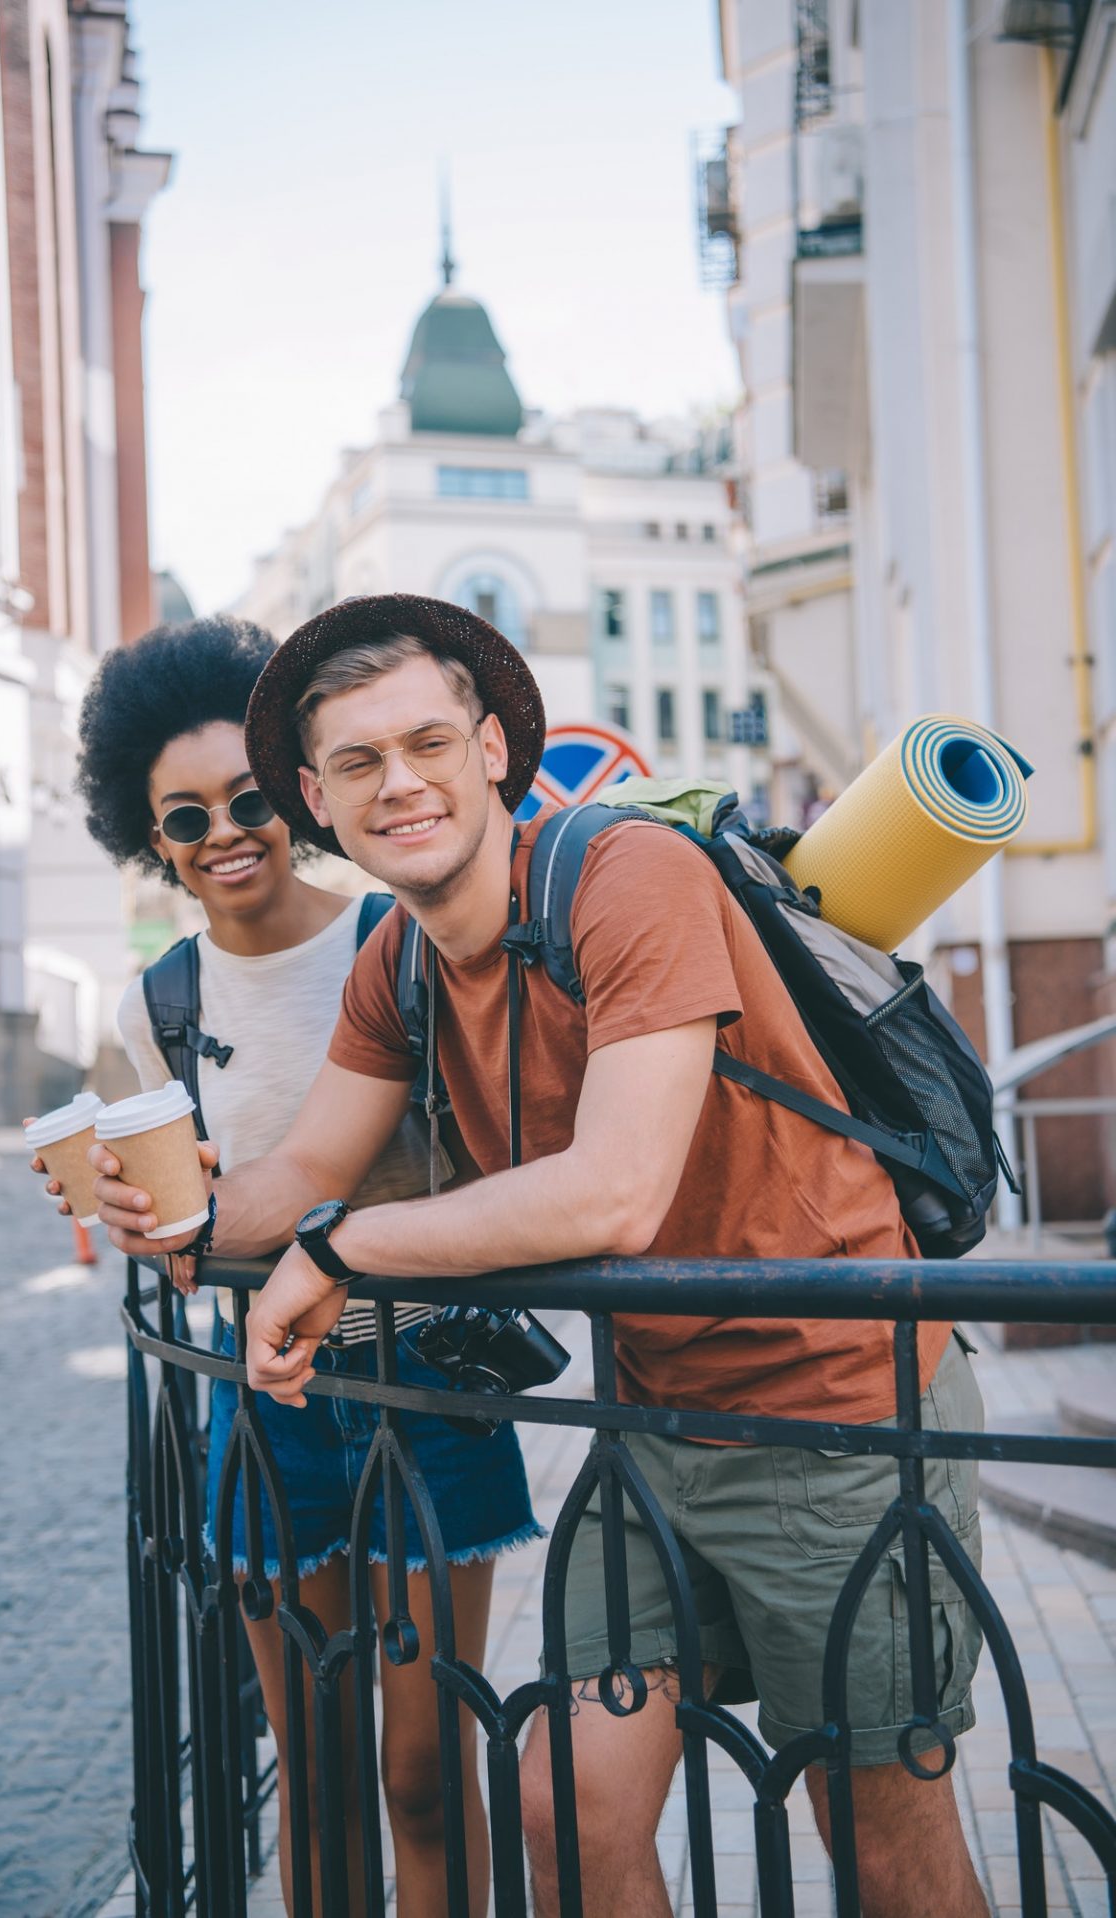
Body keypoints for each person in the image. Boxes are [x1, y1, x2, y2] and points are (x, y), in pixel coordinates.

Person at [90, 595, 989, 1918]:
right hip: (656, 1431)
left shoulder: (627, 873)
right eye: (355, 763)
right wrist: (165, 1217)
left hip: (836, 1415)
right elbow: (297, 1176)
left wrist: (346, 1247)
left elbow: (614, 1192)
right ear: (317, 802)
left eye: (428, 742)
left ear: (496, 748)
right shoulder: (394, 958)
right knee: (560, 1808)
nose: (399, 783)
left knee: (883, 1857)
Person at [44, 615, 542, 1918]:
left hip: (427, 1384)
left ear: (301, 795)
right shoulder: (155, 1005)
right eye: (184, 815)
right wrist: (135, 1211)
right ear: (150, 836)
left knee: (424, 1770)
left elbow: (486, 1157)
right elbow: (193, 1218)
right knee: (311, 1764)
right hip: (265, 1404)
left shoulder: (398, 936)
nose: (224, 834)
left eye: (248, 798)